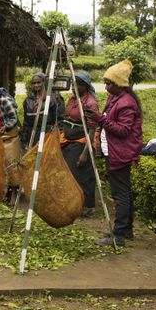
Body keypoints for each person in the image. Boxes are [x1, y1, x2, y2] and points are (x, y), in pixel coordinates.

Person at [94, 60, 143, 247]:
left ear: (118, 84)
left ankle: (119, 234)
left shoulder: (126, 103)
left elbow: (122, 130)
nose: (106, 87)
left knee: (120, 194)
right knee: (125, 192)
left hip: (121, 153)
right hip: (113, 151)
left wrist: (99, 119)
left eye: (108, 83)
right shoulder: (115, 98)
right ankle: (127, 229)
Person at [61, 70, 101, 217]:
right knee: (71, 174)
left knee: (83, 175)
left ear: (85, 86)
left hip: (82, 143)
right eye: (72, 84)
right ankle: (74, 204)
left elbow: (92, 130)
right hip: (69, 141)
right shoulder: (72, 99)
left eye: (77, 84)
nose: (73, 87)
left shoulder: (90, 103)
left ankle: (87, 207)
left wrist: (85, 153)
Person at [20, 72, 65, 148]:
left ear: (44, 82)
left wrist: (58, 136)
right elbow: (26, 121)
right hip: (32, 134)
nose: (36, 85)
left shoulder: (54, 98)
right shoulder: (28, 100)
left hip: (47, 133)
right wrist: (24, 138)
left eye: (38, 82)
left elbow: (60, 119)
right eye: (34, 83)